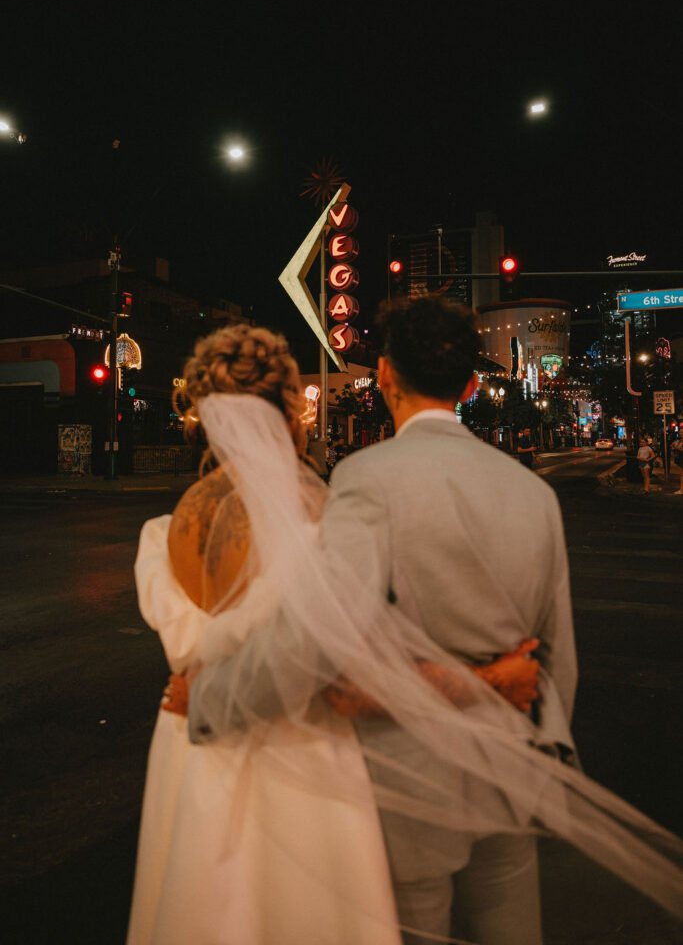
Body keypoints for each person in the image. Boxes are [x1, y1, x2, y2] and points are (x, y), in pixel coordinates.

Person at [187, 299, 683, 944]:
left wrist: (210, 701)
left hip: (412, 775)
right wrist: (544, 745)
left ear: (385, 375)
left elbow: (315, 630)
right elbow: (558, 654)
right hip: (512, 762)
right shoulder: (533, 493)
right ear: (473, 385)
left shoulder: (367, 477)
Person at [127, 322, 540, 945]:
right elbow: (346, 681)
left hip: (191, 750)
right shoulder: (328, 525)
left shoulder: (161, 536)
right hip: (306, 751)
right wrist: (491, 680)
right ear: (293, 416)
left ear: (201, 420)